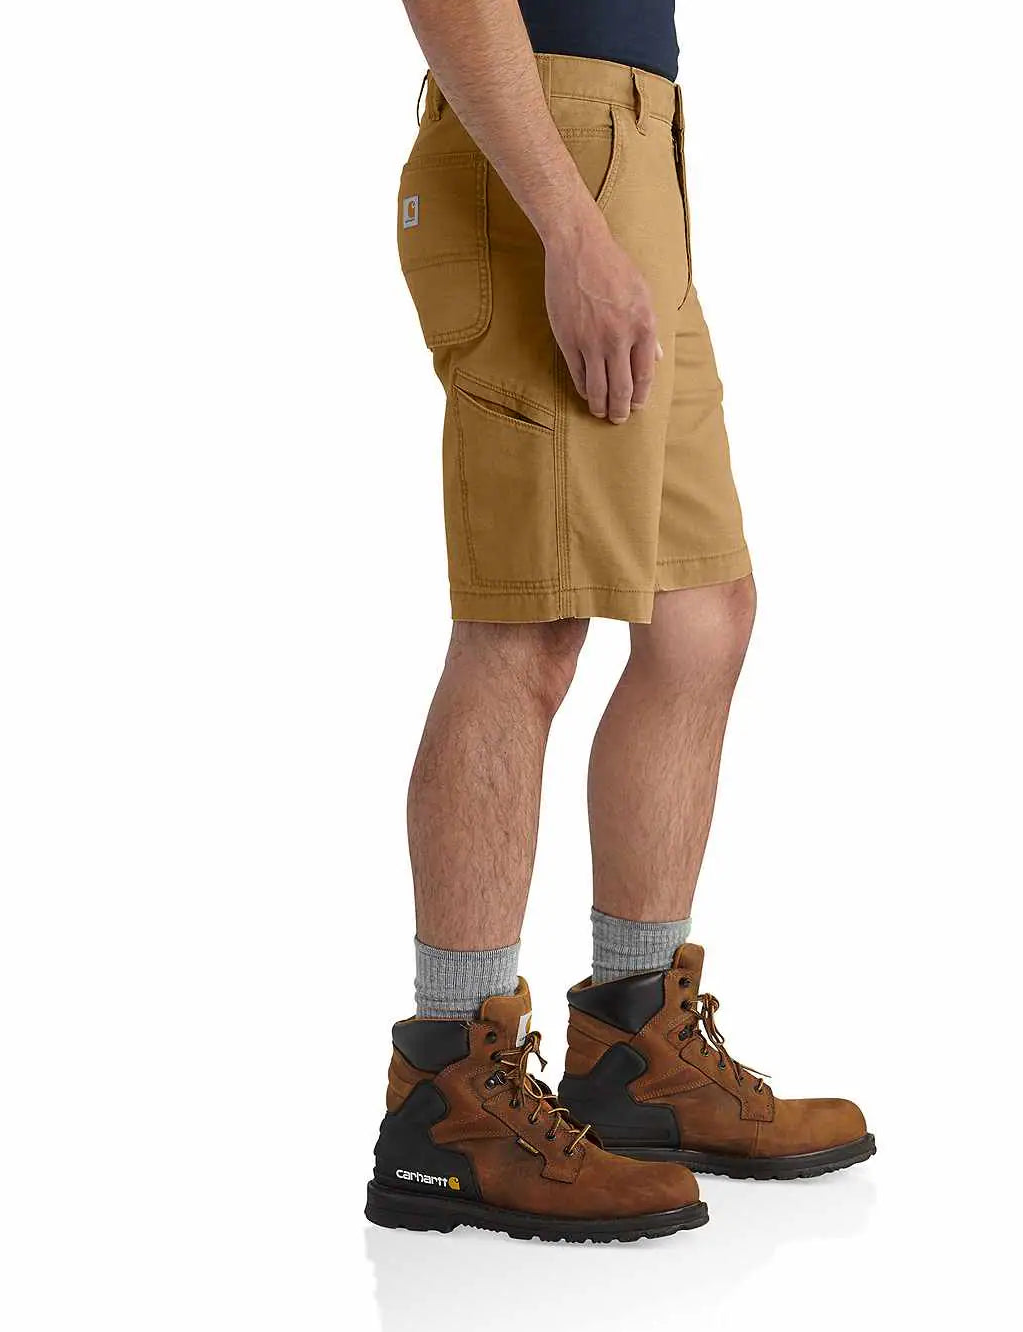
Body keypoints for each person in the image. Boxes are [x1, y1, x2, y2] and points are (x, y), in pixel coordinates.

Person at [365, 0, 874, 1244]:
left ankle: (634, 1055)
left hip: (635, 146)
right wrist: (568, 222)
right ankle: (447, 1099)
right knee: (529, 627)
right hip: (546, 153)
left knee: (702, 612)